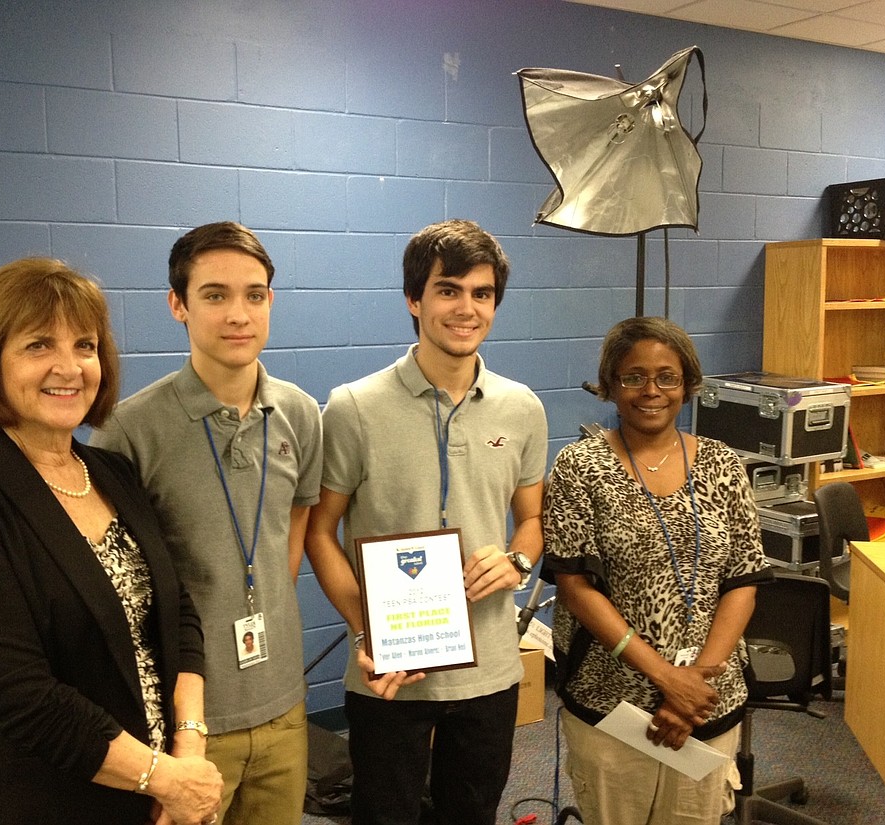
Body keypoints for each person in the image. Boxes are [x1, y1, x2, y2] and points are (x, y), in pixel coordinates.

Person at [0, 258, 223, 825]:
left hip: (162, 791)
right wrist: (166, 778)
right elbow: (25, 700)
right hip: (50, 800)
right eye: (37, 346)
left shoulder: (112, 474)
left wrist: (189, 748)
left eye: (85, 344)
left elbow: (178, 614)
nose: (70, 367)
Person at [306, 219, 548, 825]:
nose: (467, 309)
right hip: (389, 675)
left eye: (482, 293)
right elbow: (319, 531)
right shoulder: (353, 407)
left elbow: (533, 518)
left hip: (490, 667)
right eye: (449, 290)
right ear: (415, 300)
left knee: (471, 815)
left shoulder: (522, 408)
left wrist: (517, 561)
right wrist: (368, 634)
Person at [90, 222, 322, 825]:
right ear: (178, 305)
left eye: (255, 294)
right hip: (184, 723)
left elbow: (293, 528)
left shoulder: (299, 413)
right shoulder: (129, 431)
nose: (237, 314)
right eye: (215, 295)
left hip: (283, 707)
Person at [542, 316, 772, 825]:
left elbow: (742, 581)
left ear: (688, 384)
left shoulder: (722, 464)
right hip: (611, 700)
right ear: (610, 386)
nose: (652, 391)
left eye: (667, 377)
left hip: (705, 702)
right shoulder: (579, 467)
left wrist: (693, 685)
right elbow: (575, 588)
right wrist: (668, 677)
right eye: (633, 377)